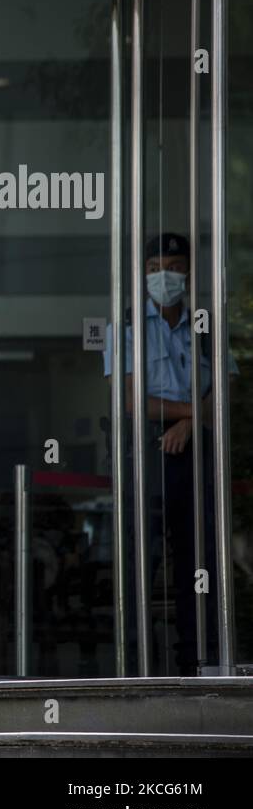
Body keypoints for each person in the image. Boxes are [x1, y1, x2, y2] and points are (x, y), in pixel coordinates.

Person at [104, 232, 236, 674]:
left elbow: (225, 395)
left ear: (188, 272)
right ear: (143, 273)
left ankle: (199, 662)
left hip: (197, 451)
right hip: (147, 450)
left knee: (198, 563)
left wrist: (190, 421)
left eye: (175, 267)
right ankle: (133, 664)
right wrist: (195, 412)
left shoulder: (205, 326)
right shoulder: (126, 327)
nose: (165, 275)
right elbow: (130, 401)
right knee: (140, 560)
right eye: (155, 267)